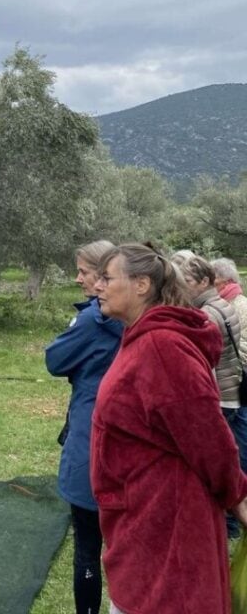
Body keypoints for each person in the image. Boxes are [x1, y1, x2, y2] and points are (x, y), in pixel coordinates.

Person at [91, 243, 247, 614]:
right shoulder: (144, 338)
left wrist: (238, 498)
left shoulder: (162, 347)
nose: (97, 285)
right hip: (143, 521)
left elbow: (210, 439)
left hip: (165, 527)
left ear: (142, 284)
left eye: (107, 278)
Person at [45, 241, 122, 614]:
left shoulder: (94, 319)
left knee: (88, 547)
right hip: (125, 446)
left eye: (84, 272)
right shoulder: (138, 317)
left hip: (91, 440)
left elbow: (55, 359)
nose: (78, 279)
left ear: (104, 276)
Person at [178, 252, 247, 536]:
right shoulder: (222, 304)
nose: (184, 287)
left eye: (188, 281)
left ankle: (226, 522)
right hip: (231, 390)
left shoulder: (207, 314)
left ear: (204, 281)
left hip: (222, 395)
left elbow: (205, 360)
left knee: (220, 458)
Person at [211, 256, 247, 365]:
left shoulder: (242, 305)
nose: (209, 285)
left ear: (226, 282)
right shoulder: (215, 304)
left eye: (213, 281)